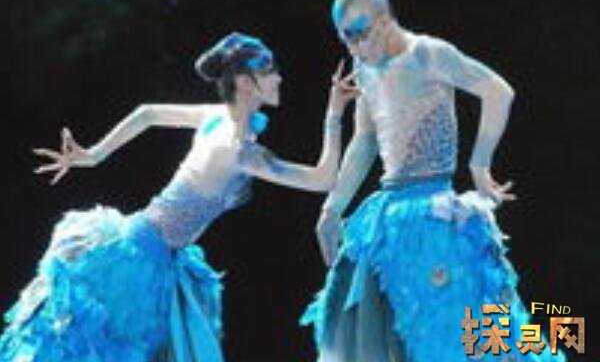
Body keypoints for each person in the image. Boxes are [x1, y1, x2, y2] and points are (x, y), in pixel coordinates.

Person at [0, 32, 359, 362]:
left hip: (160, 257)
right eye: (269, 71)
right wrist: (334, 115)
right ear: (244, 82)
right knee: (88, 345)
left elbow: (148, 114)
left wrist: (95, 155)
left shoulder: (217, 118)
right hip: (137, 259)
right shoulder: (238, 151)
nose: (279, 78)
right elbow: (323, 179)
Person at [301, 0, 566, 361]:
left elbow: (498, 91)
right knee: (381, 331)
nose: (355, 47)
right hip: (388, 218)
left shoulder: (427, 53)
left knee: (451, 329)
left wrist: (479, 163)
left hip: (434, 213)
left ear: (384, 20)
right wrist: (333, 207)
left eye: (360, 34)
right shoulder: (365, 69)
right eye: (346, 39)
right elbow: (365, 139)